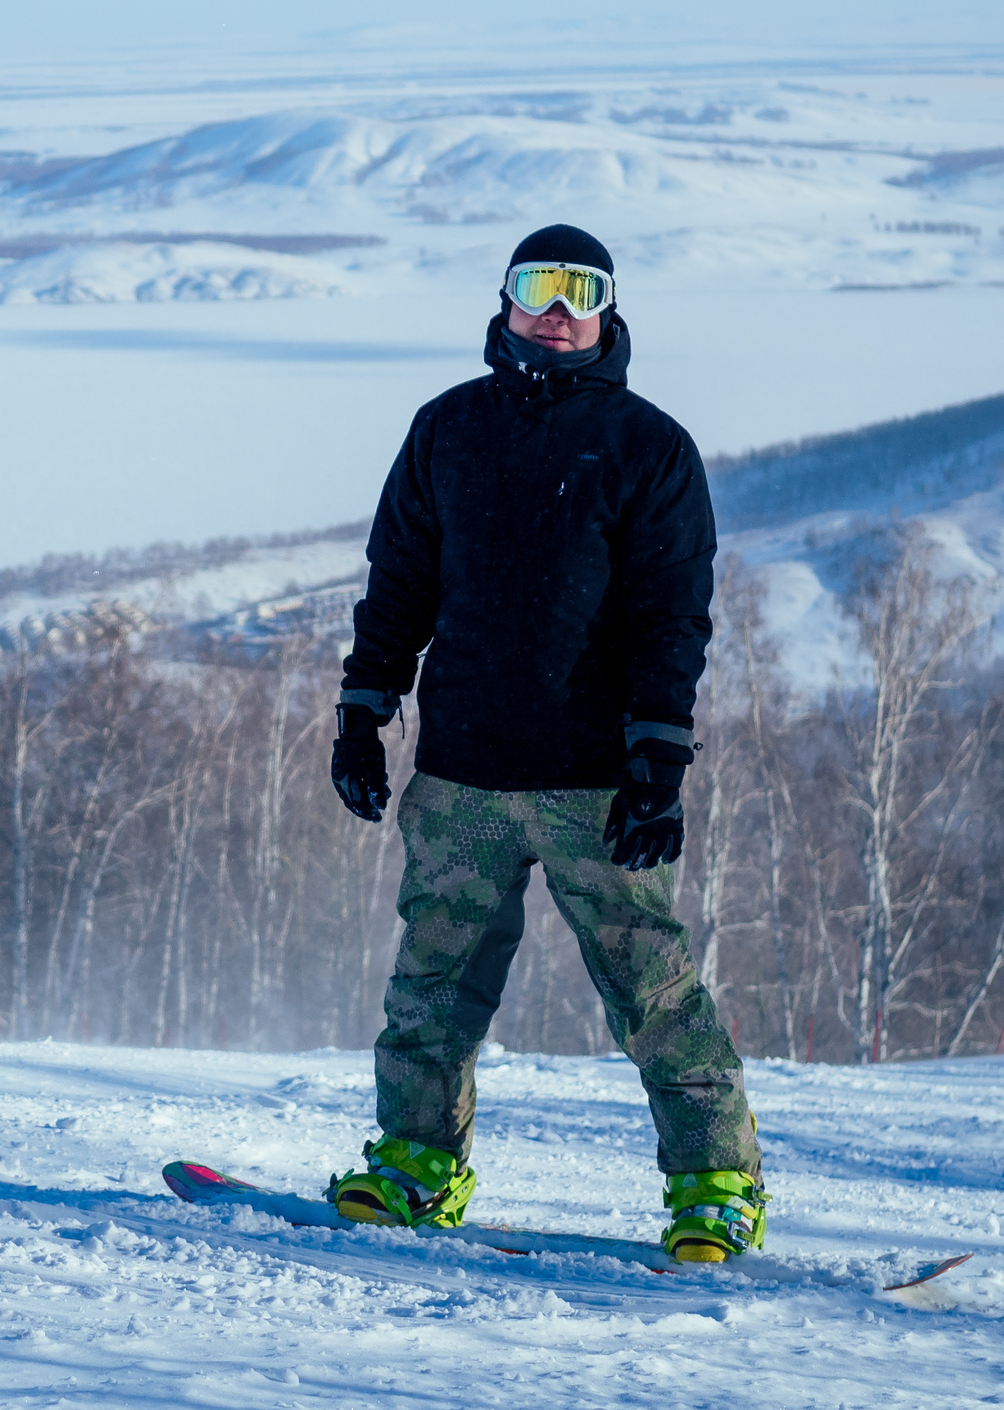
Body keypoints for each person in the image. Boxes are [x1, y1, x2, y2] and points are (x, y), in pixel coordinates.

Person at [323, 224, 767, 1264]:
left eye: (582, 289)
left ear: (608, 310)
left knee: (651, 990)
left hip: (593, 782)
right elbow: (399, 586)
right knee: (431, 984)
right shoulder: (447, 430)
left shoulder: (648, 446)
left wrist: (659, 758)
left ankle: (716, 1183)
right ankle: (417, 1163)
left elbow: (672, 616)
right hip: (462, 771)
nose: (559, 309)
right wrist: (360, 710)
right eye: (540, 286)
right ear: (505, 298)